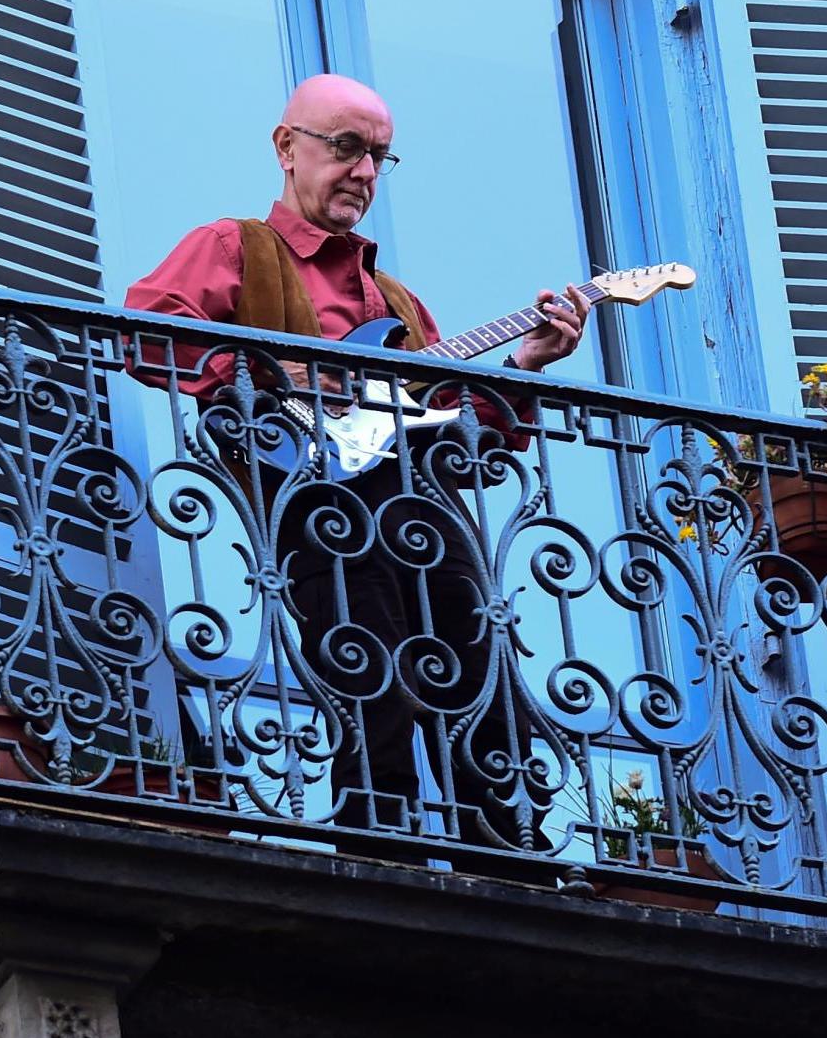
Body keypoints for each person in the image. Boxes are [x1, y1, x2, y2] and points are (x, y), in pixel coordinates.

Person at [124, 74, 590, 848]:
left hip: (427, 517)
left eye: (379, 156)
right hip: (320, 505)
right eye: (346, 148)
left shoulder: (400, 308)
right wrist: (265, 367)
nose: (365, 173)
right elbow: (144, 329)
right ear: (287, 148)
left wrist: (527, 368)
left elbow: (463, 445)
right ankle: (380, 850)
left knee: (487, 686)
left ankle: (513, 861)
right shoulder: (236, 245)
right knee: (373, 680)